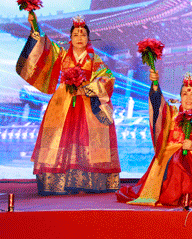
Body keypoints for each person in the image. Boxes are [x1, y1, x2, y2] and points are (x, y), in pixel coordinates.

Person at [16, 13, 120, 195]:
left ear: (88, 38)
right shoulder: (62, 55)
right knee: (59, 137)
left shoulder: (94, 60)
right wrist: (34, 27)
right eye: (76, 34)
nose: (79, 38)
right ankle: (57, 182)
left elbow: (108, 78)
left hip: (88, 103)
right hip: (62, 102)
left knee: (86, 137)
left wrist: (90, 87)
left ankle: (87, 182)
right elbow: (43, 47)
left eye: (83, 34)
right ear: (70, 38)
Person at [116, 71, 192, 206]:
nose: (188, 98)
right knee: (176, 160)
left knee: (186, 159)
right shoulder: (171, 113)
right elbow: (157, 109)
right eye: (184, 94)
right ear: (180, 97)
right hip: (168, 160)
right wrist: (155, 86)